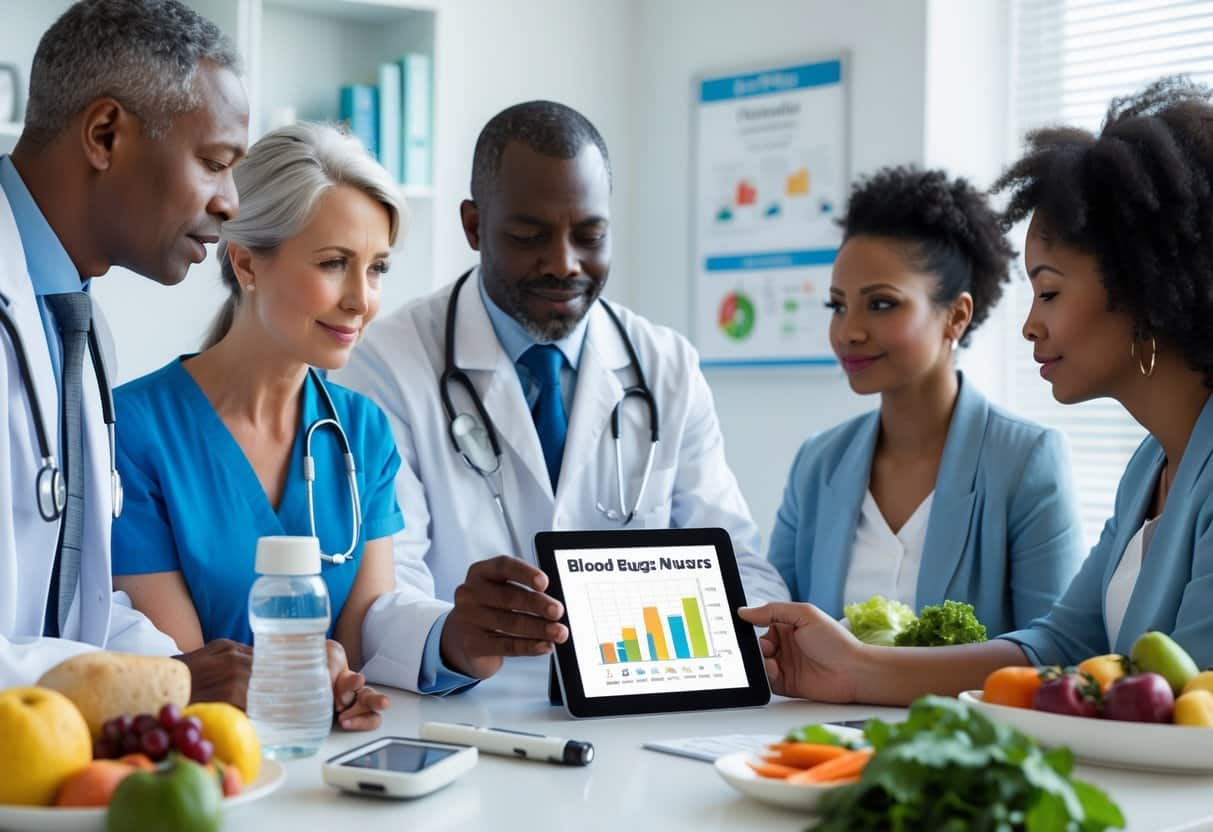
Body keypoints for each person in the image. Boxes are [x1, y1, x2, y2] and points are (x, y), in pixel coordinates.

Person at [740, 76, 1213, 705]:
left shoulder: (1049, 459)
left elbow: (1191, 701)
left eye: (1049, 291)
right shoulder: (1150, 468)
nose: (1029, 324)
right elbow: (1061, 645)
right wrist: (857, 669)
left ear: (1144, 286)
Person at [332, 100, 790, 693]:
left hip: (645, 705)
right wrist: (454, 635)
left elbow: (742, 569)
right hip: (467, 711)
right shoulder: (388, 365)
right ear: (474, 226)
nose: (564, 263)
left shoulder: (666, 366)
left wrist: (739, 632)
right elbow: (379, 598)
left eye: (590, 235)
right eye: (529, 236)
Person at [110, 123, 402, 728]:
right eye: (333, 263)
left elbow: (363, 654)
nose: (361, 300)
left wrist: (345, 683)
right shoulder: (133, 431)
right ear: (245, 262)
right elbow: (185, 674)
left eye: (376, 268)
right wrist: (309, 673)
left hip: (332, 759)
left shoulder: (363, 432)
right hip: (205, 761)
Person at [0, 0, 252, 694]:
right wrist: (168, 682)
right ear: (105, 134)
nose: (231, 202)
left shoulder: (77, 327)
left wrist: (212, 675)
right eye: (214, 162)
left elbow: (73, 612)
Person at [768, 166, 1083, 636]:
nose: (848, 331)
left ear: (956, 315)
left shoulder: (1025, 461)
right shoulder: (818, 463)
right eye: (838, 305)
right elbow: (775, 630)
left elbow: (1054, 649)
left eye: (881, 304)